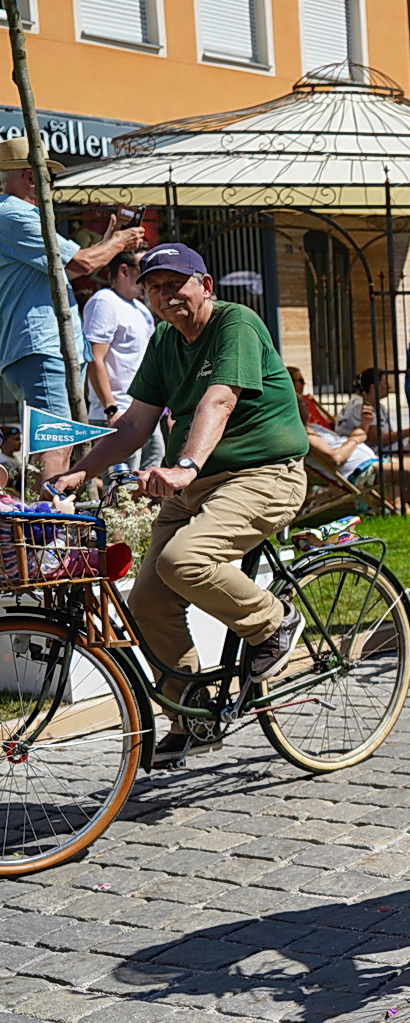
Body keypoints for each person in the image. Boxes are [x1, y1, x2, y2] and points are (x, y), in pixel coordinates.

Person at [45, 244, 309, 765]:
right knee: (145, 600)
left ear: (205, 286)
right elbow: (136, 424)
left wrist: (183, 466)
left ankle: (272, 623)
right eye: (155, 288)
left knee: (183, 560)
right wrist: (81, 471)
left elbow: (220, 398)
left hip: (264, 475)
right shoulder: (165, 340)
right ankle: (193, 716)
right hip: (196, 485)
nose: (167, 296)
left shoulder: (237, 323)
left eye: (176, 284)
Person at [0, 136, 147, 480]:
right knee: (54, 443)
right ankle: (46, 527)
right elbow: (81, 263)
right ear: (30, 176)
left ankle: (45, 521)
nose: (50, 184)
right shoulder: (15, 214)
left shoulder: (16, 215)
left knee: (58, 443)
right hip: (40, 345)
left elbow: (64, 267)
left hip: (42, 347)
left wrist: (109, 241)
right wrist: (119, 243)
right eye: (46, 175)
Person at [290, 364, 410, 517]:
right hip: (360, 473)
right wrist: (357, 437)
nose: (307, 406)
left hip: (371, 463)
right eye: (302, 404)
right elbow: (336, 458)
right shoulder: (306, 436)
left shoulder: (314, 429)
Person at [83, 250, 166, 472]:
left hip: (144, 412)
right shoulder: (104, 302)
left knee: (149, 480)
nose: (150, 277)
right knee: (120, 489)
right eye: (144, 270)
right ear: (124, 271)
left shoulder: (142, 310)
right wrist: (111, 409)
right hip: (116, 413)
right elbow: (94, 359)